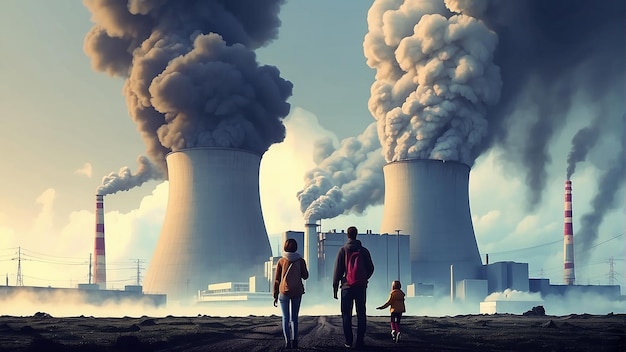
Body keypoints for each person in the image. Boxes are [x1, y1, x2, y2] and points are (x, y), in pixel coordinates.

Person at [332, 226, 375, 349]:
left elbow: (337, 271)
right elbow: (371, 268)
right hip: (360, 287)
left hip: (346, 287)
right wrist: (364, 278)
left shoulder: (343, 250)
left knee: (346, 314)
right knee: (361, 313)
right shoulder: (364, 251)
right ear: (357, 234)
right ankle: (360, 340)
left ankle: (349, 341)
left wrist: (335, 287)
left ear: (347, 235)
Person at [273, 238, 309, 349]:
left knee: (285, 318)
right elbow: (305, 276)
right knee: (294, 318)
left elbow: (277, 280)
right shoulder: (300, 260)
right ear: (296, 247)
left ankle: (287, 342)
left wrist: (275, 294)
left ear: (285, 247)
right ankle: (295, 341)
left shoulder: (281, 261)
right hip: (297, 291)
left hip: (284, 292)